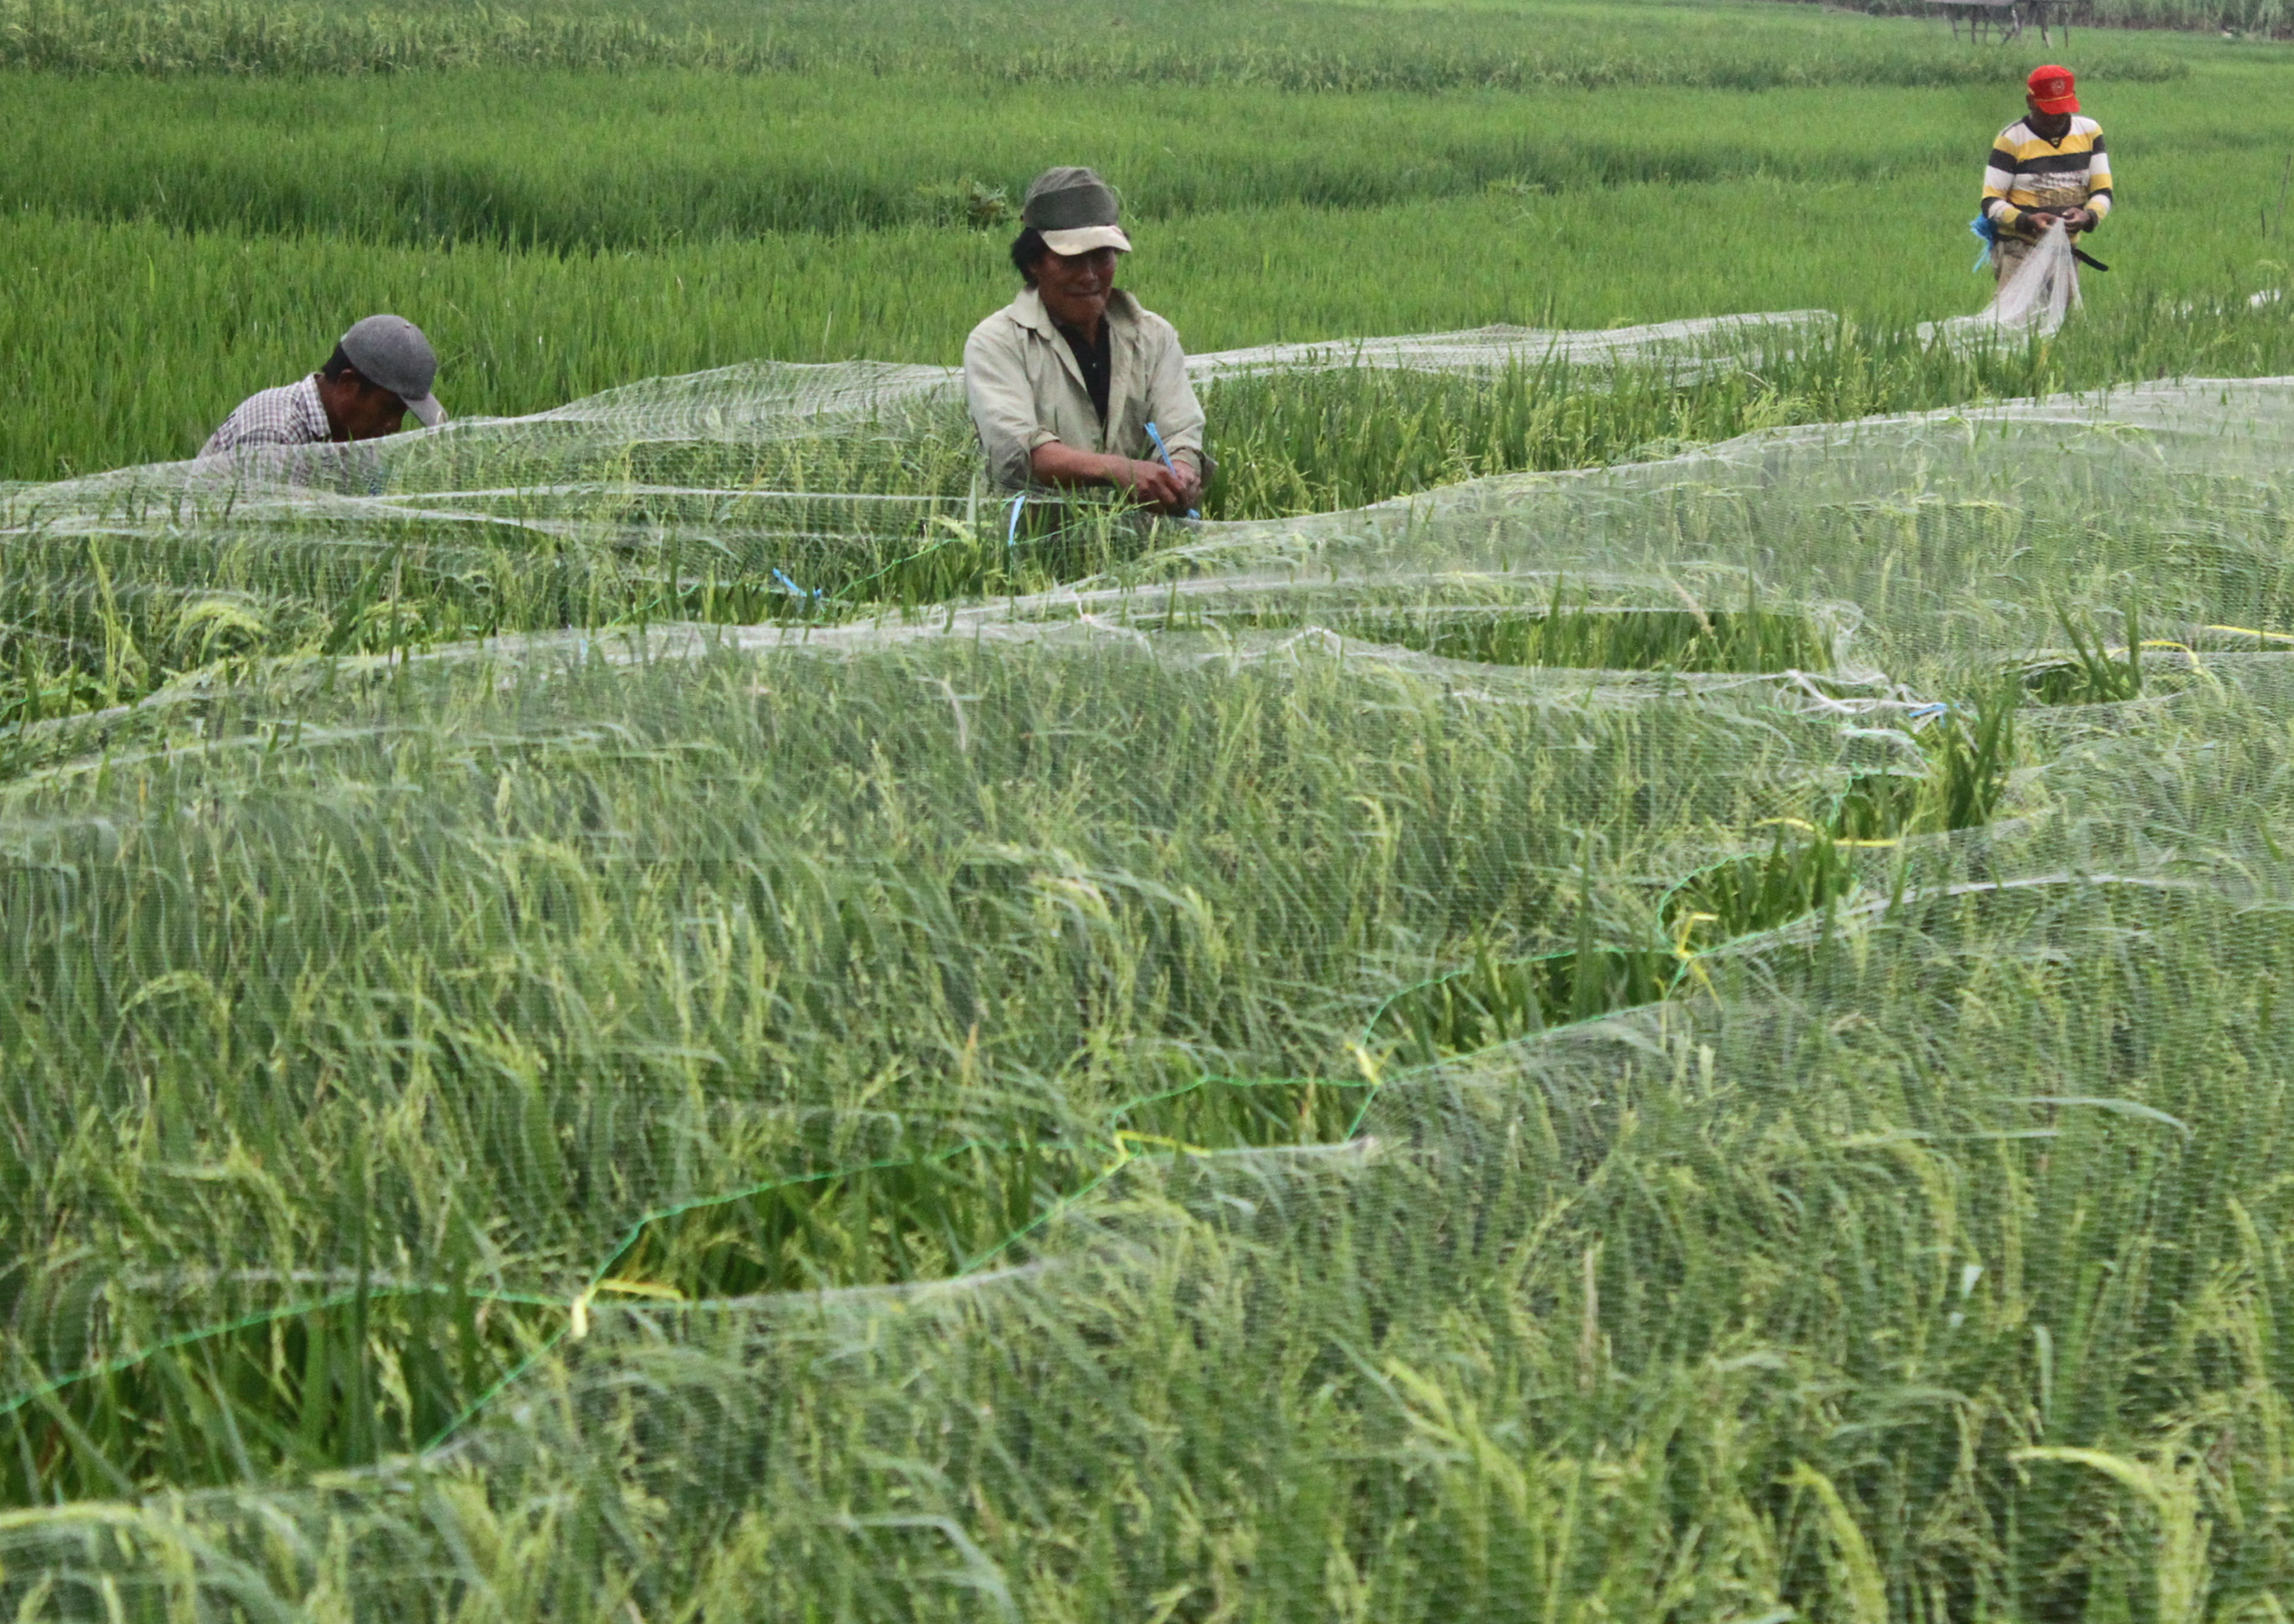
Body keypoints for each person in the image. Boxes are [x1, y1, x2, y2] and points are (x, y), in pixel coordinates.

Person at [963, 167, 1210, 516]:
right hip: (1030, 538)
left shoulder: (1153, 336)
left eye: (1102, 256)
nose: (1090, 275)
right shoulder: (996, 343)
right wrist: (1118, 470)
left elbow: (1180, 432)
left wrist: (1181, 470)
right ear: (1034, 263)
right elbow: (1018, 453)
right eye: (1072, 260)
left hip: (1136, 537)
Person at [200, 314, 446, 458]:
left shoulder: (353, 437)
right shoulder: (275, 436)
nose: (394, 426)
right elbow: (255, 529)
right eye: (388, 409)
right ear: (348, 385)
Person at [1980, 65, 2112, 286]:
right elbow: (1991, 203)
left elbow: (2103, 192)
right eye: (2048, 110)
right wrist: (2028, 221)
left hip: (2066, 250)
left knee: (2062, 308)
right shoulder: (2011, 139)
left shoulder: (2090, 133)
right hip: (2019, 250)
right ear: (2030, 101)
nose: (2056, 118)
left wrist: (2088, 216)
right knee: (2017, 309)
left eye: (2063, 109)